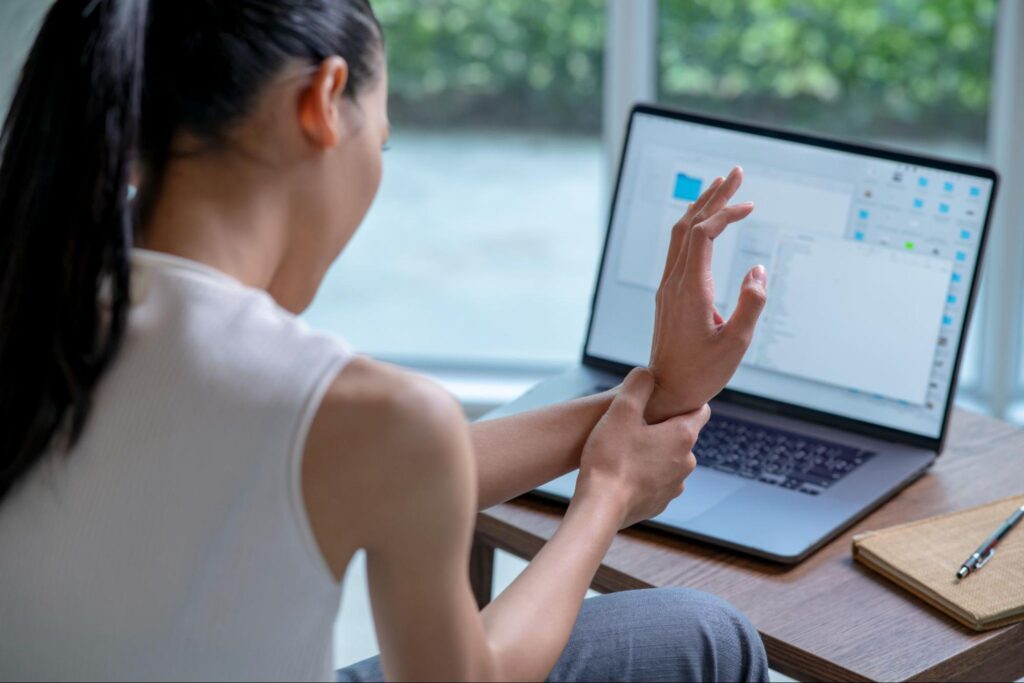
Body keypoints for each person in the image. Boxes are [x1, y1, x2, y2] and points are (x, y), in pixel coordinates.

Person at [0, 1, 770, 681]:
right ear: (324, 101)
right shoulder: (344, 406)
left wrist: (651, 395)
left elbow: (367, 466)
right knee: (713, 640)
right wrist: (606, 497)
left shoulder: (41, 310)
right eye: (384, 142)